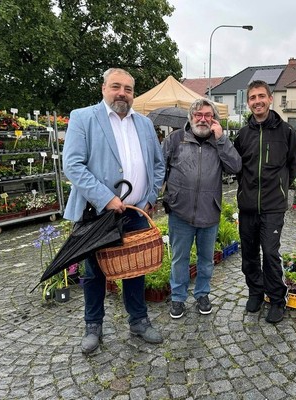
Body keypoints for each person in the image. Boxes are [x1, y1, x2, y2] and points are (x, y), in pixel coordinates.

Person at [63, 68, 165, 354]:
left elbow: (158, 165)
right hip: (98, 212)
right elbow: (73, 165)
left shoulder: (144, 124)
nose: (122, 93)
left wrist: (149, 198)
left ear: (133, 93)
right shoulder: (83, 117)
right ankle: (93, 325)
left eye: (128, 89)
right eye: (116, 87)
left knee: (136, 267)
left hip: (136, 211)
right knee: (94, 271)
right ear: (103, 88)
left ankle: (139, 321)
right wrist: (106, 198)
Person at [162, 99, 241, 319]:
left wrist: (222, 138)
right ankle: (178, 298)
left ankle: (202, 294)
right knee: (180, 258)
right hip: (180, 211)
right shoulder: (175, 139)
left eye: (208, 115)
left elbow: (235, 166)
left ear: (214, 119)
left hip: (209, 211)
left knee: (206, 259)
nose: (203, 119)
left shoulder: (219, 142)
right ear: (191, 117)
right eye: (198, 114)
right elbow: (159, 168)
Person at [234, 80, 296, 324]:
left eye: (261, 96)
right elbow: (238, 168)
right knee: (249, 254)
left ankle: (277, 298)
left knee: (270, 253)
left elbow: (293, 166)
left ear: (270, 99)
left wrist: (281, 189)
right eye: (252, 97)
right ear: (248, 102)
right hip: (248, 206)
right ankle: (255, 292)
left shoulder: (287, 132)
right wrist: (245, 192)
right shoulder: (243, 134)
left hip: (273, 206)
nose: (257, 101)